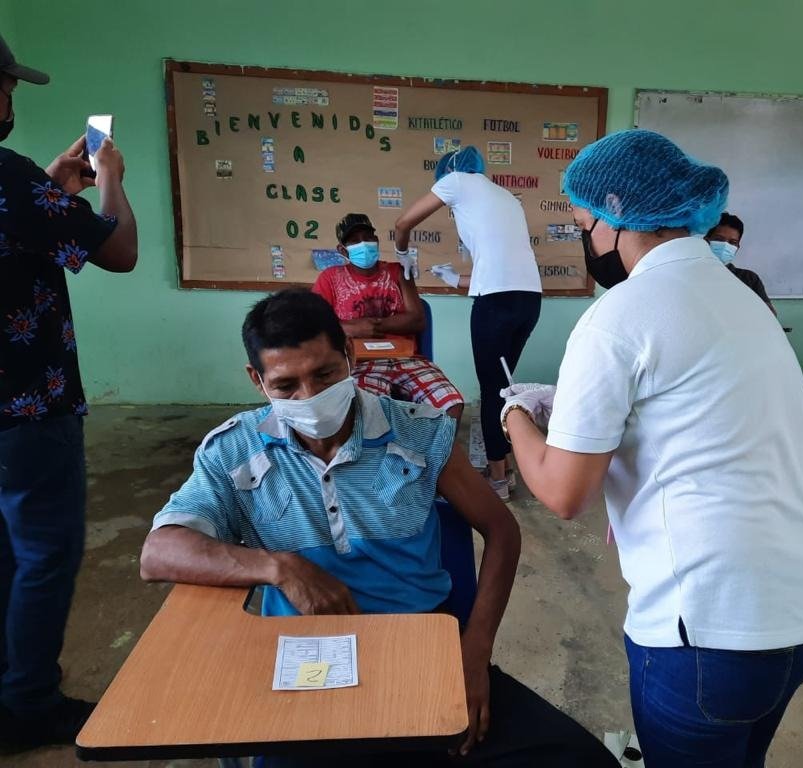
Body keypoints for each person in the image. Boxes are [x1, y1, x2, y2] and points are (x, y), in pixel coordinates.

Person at [139, 289, 616, 768]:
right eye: (287, 386)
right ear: (257, 381)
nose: (311, 397)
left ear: (348, 357)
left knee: (580, 759)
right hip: (310, 666)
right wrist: (278, 567)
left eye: (324, 374)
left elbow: (502, 531)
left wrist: (473, 655)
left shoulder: (419, 431)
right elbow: (159, 552)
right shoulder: (234, 452)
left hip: (422, 652)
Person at [500, 130, 803, 768]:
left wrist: (518, 417)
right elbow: (700, 405)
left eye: (584, 225)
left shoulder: (619, 315)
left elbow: (562, 493)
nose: (586, 243)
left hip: (714, 632)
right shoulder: (741, 297)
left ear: (613, 219)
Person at [0, 35, 138, 749]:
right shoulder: (5, 176)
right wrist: (109, 174)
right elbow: (118, 251)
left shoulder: (23, 187)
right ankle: (28, 704)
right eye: (8, 86)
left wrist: (53, 190)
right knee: (44, 552)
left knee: (6, 549)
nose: (11, 99)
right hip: (27, 409)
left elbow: (20, 236)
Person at [395, 147, 541, 501]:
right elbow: (499, 269)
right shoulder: (505, 196)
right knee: (503, 387)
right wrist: (453, 280)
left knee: (493, 393)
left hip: (497, 302)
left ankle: (497, 479)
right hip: (527, 300)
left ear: (448, 173)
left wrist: (402, 255)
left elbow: (403, 223)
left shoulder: (455, 181)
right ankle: (504, 465)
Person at [312, 212, 464, 422]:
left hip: (407, 358)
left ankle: (435, 454)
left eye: (368, 237)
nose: (364, 244)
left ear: (376, 240)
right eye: (354, 241)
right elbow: (315, 326)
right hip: (358, 362)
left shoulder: (398, 271)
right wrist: (352, 329)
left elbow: (418, 320)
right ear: (342, 249)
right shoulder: (330, 278)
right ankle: (379, 455)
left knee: (451, 405)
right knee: (363, 412)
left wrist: (372, 326)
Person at [705, 212, 777, 315]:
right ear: (706, 241)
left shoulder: (749, 278)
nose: (726, 245)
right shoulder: (692, 275)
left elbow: (770, 315)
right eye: (719, 239)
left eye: (732, 242)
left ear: (737, 248)